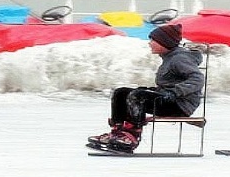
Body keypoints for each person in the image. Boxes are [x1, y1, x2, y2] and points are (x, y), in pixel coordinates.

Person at [87, 24, 205, 153]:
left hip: (179, 105)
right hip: (168, 99)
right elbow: (169, 84)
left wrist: (175, 92)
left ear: (164, 42)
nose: (150, 44)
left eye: (153, 40)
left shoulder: (179, 59)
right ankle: (118, 132)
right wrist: (155, 90)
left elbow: (197, 79)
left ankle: (131, 136)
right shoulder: (170, 57)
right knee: (121, 93)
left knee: (138, 96)